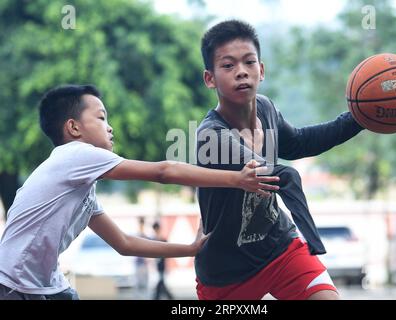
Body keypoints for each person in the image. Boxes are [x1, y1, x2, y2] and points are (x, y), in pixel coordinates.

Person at [0, 84, 280, 300]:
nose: (110, 127)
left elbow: (124, 244)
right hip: (12, 285)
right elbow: (164, 172)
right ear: (73, 128)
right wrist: (238, 179)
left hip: (49, 286)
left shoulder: (81, 188)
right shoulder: (75, 155)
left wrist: (189, 249)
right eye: (100, 118)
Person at [195, 20, 365, 300]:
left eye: (249, 62)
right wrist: (313, 236)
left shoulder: (265, 108)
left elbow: (298, 142)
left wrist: (358, 118)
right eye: (228, 65)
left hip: (280, 249)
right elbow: (273, 174)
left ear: (261, 70)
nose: (241, 72)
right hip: (226, 272)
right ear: (209, 78)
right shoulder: (211, 135)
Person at [151, 221, 174, 300]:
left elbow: (167, 255)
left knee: (161, 281)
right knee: (161, 281)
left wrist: (168, 266)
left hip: (162, 265)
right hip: (157, 265)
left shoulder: (163, 240)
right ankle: (167, 296)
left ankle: (157, 297)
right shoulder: (153, 240)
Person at [134, 217, 150, 299]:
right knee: (139, 282)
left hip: (143, 262)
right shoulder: (139, 235)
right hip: (140, 262)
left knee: (143, 282)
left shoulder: (143, 235)